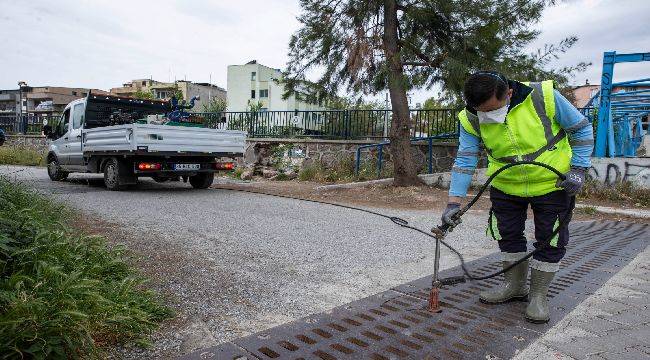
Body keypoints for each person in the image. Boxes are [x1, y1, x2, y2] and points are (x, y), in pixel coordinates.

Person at [441, 71, 594, 323]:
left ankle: (538, 296)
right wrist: (452, 204)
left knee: (551, 239)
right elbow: (465, 158)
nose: (487, 117)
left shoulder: (543, 97)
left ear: (509, 93)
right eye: (481, 111)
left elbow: (581, 129)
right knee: (507, 235)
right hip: (505, 185)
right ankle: (515, 287)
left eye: (492, 109)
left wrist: (578, 169)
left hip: (552, 183)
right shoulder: (470, 116)